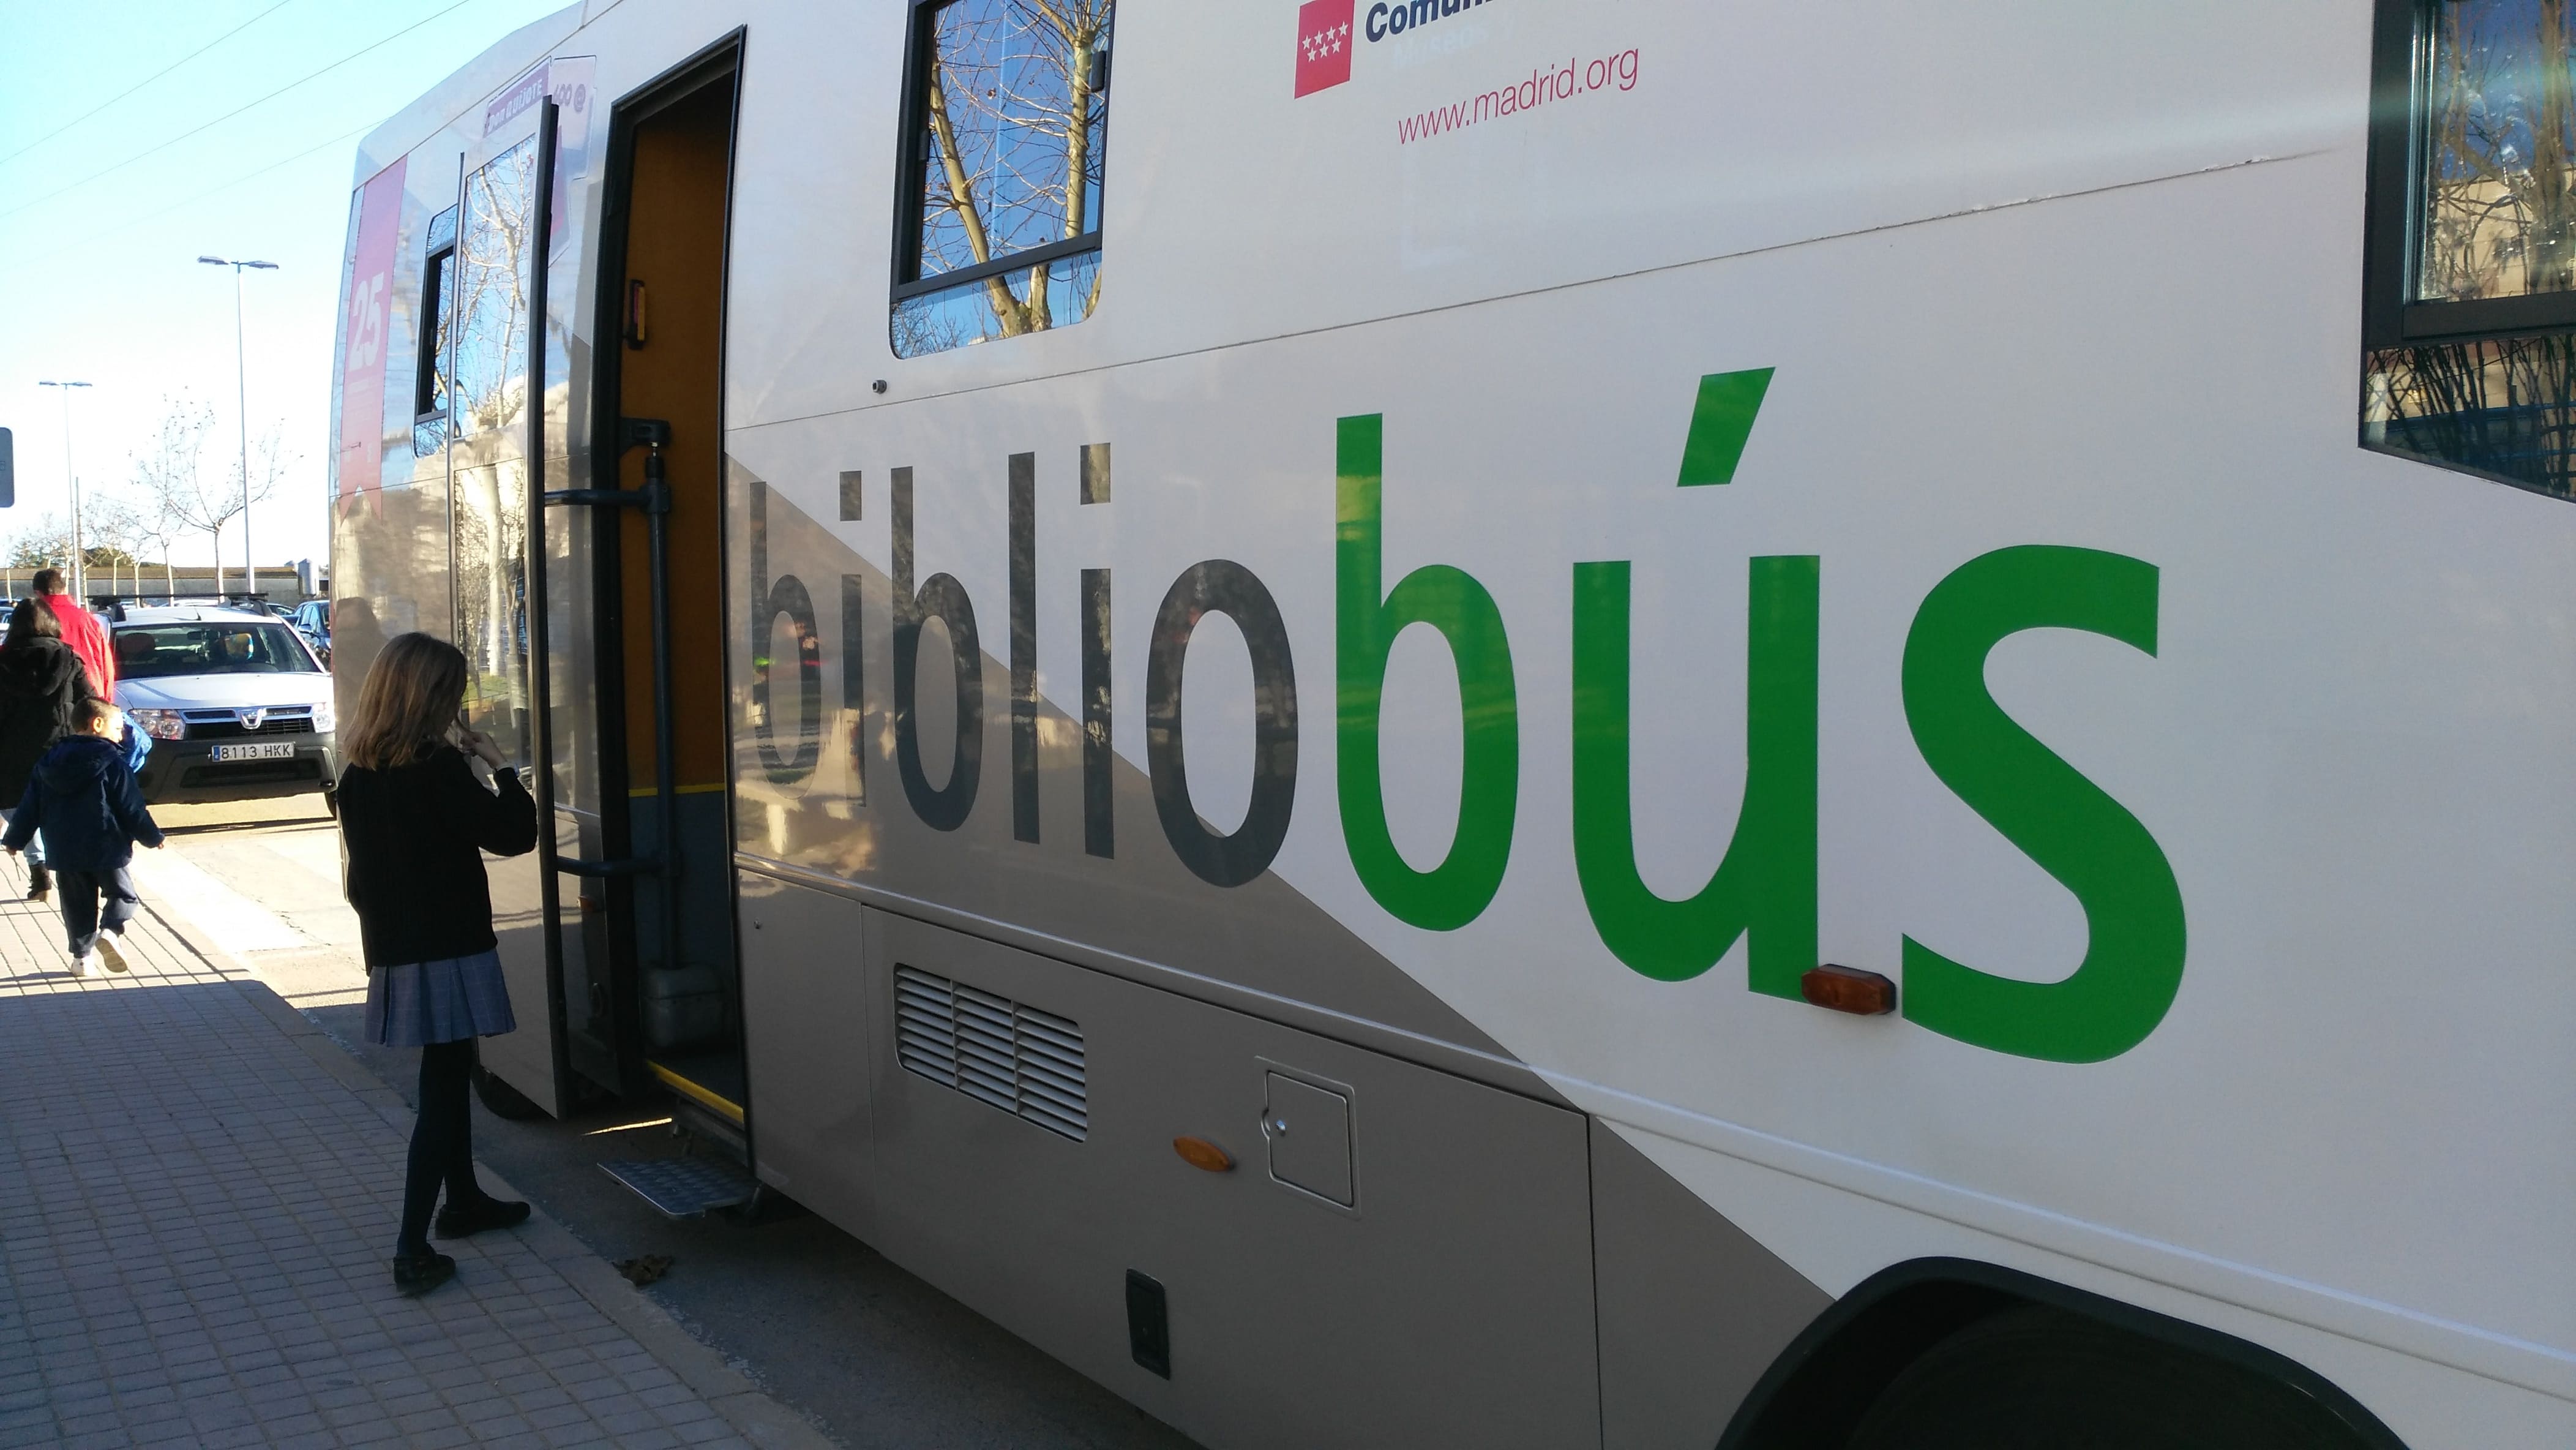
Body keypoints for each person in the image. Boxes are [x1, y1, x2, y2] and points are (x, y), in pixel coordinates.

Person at [334, 632, 539, 1296]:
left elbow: (361, 880)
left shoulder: (359, 773)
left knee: (449, 1073)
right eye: (453, 691)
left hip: (399, 950)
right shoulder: (437, 769)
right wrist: (502, 768)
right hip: (448, 946)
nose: (460, 702)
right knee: (444, 1094)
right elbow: (516, 834)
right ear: (430, 696)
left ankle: (465, 1199)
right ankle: (411, 1248)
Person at [2, 697, 162, 977]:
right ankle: (110, 931)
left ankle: (82, 960)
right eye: (117, 729)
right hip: (106, 845)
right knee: (123, 895)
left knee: (77, 905)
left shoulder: (48, 762)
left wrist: (15, 839)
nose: (120, 736)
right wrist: (152, 836)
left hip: (64, 849)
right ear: (97, 724)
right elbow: (131, 807)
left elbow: (30, 805)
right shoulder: (113, 762)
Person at [0, 599, 95, 904]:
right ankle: (68, 871)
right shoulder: (68, 658)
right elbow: (89, 701)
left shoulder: (3, 660)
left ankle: (39, 869)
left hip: (10, 752)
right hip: (60, 747)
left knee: (19, 808)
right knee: (60, 808)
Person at [29, 568, 114, 699]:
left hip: (52, 698)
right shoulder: (88, 619)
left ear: (38, 593)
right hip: (91, 693)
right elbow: (105, 663)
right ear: (64, 589)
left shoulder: (35, 620)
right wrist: (106, 700)